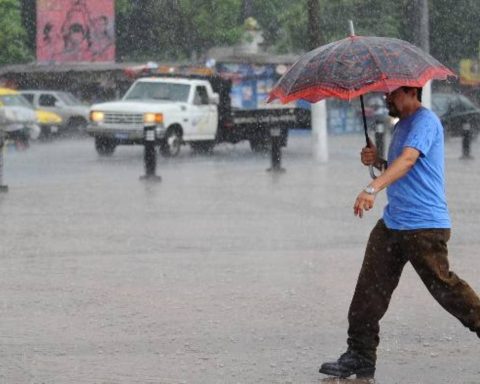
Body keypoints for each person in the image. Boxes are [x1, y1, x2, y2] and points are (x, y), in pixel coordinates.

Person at [319, 86, 480, 379]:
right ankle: (360, 355)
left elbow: (407, 161)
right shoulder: (403, 125)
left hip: (424, 225)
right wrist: (377, 160)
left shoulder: (425, 121)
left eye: (391, 94)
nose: (386, 98)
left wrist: (372, 188)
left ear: (409, 91)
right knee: (368, 290)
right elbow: (398, 166)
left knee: (446, 289)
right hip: (393, 224)